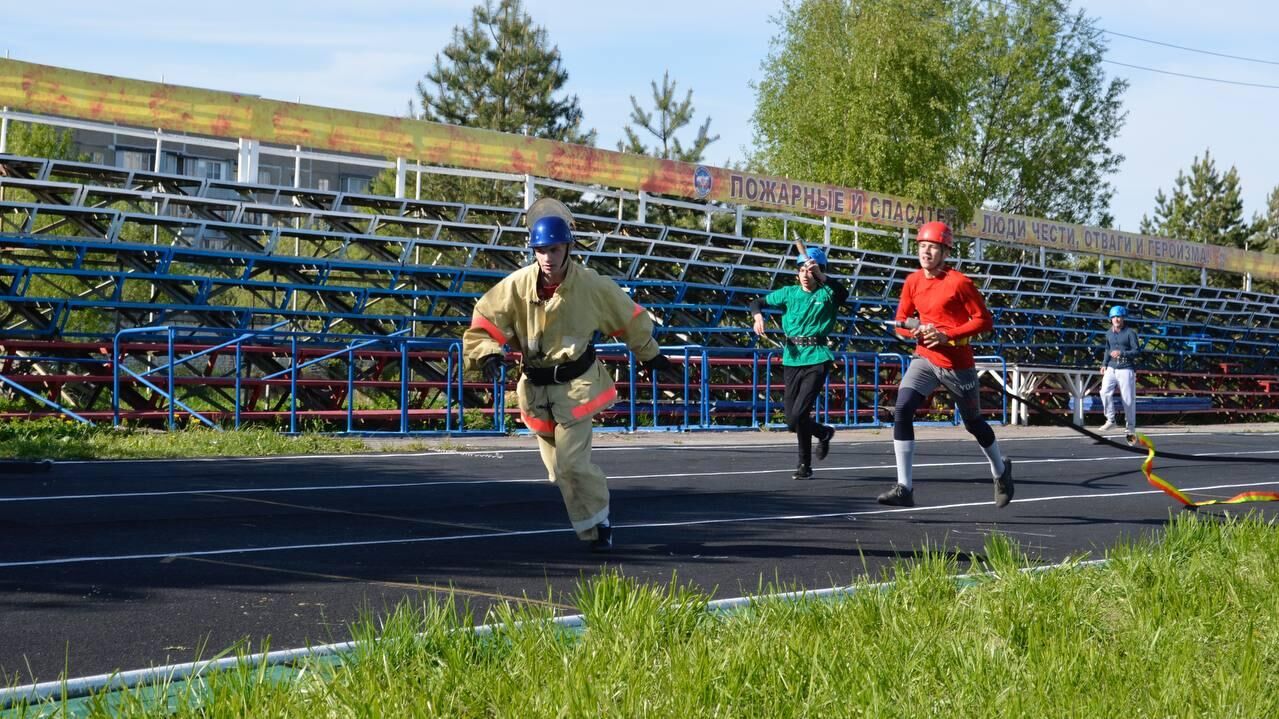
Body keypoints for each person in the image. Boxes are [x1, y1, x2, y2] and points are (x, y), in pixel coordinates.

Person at [462, 197, 670, 552]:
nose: (547, 257)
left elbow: (628, 317)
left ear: (567, 248)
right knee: (558, 472)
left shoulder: (591, 286)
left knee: (573, 465)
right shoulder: (515, 286)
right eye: (541, 250)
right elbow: (485, 320)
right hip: (537, 393)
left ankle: (599, 523)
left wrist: (651, 356)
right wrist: (487, 353)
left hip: (577, 389)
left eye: (554, 249)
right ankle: (593, 527)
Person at [878, 221, 1013, 508]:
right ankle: (905, 487)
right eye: (922, 246)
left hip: (956, 362)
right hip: (925, 358)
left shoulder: (959, 283)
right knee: (902, 409)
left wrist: (946, 334)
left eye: (932, 247)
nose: (926, 252)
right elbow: (900, 322)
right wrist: (912, 330)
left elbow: (984, 321)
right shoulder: (913, 281)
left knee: (973, 422)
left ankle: (1000, 470)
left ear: (945, 251)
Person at [749, 247, 848, 480]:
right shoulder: (789, 293)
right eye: (801, 269)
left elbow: (843, 294)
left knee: (799, 414)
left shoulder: (827, 293)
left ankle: (804, 463)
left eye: (810, 270)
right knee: (791, 420)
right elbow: (756, 302)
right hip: (792, 357)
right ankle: (823, 433)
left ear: (819, 272)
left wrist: (823, 278)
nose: (805, 274)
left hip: (817, 357)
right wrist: (758, 316)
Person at [1097, 305, 1140, 444]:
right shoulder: (1108, 333)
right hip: (1111, 367)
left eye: (1119, 317)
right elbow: (1107, 349)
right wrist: (1104, 363)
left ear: (1123, 318)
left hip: (1126, 368)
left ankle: (1130, 430)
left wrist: (1122, 353)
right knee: (1104, 392)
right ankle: (1111, 419)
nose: (1116, 319)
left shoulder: (1130, 333)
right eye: (1114, 317)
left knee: (1127, 400)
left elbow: (1137, 351)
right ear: (1111, 319)